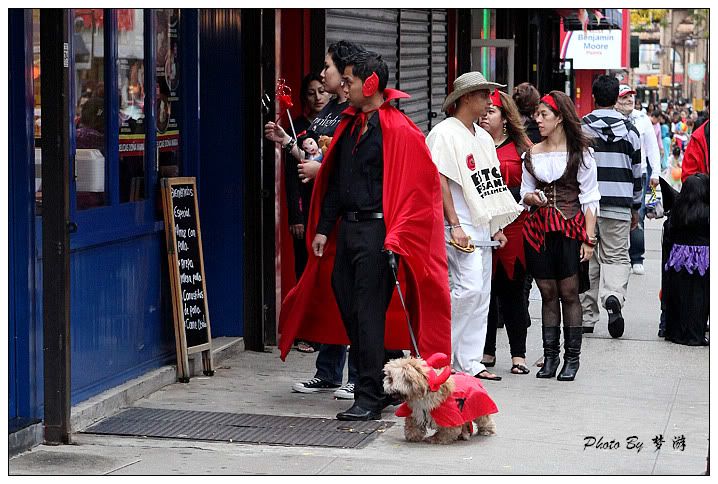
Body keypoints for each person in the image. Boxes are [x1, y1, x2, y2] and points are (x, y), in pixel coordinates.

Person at [279, 49, 452, 421]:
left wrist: (397, 236)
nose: (344, 85)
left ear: (369, 84)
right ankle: (376, 385)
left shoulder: (399, 130)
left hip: (379, 233)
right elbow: (336, 181)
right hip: (349, 231)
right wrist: (324, 228)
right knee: (352, 311)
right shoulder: (349, 123)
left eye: (350, 80)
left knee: (369, 315)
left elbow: (418, 190)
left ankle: (369, 394)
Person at [265, 41, 364, 400]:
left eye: (328, 68)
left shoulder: (356, 112)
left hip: (346, 218)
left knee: (353, 297)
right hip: (324, 214)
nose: (322, 74)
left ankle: (359, 374)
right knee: (327, 295)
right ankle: (328, 372)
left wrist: (319, 168)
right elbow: (315, 153)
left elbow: (347, 165)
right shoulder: (333, 109)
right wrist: (289, 142)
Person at [426, 71, 522, 382]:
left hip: (481, 223)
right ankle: (446, 357)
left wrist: (497, 225)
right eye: (483, 95)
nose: (489, 101)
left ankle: (470, 360)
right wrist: (453, 224)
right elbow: (439, 180)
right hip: (459, 224)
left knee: (481, 293)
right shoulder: (443, 134)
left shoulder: (482, 137)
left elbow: (490, 185)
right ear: (467, 98)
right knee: (466, 289)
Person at [521, 91, 600, 381]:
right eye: (537, 114)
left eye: (544, 115)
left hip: (569, 230)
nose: (537, 119)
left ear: (559, 118)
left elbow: (590, 199)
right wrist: (531, 198)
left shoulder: (581, 154)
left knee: (569, 293)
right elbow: (523, 193)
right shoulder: (530, 154)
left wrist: (588, 239)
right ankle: (550, 357)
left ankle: (572, 359)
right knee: (547, 293)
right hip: (539, 232)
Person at [579, 75, 642, 338]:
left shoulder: (581, 128)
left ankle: (586, 315)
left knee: (587, 256)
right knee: (617, 256)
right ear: (617, 98)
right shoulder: (630, 131)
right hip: (619, 203)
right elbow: (637, 172)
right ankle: (613, 296)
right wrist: (636, 207)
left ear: (593, 97)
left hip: (587, 206)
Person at [478, 89, 532, 375]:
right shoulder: (473, 143)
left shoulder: (522, 148)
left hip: (514, 227)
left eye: (492, 111)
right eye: (483, 111)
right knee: (483, 293)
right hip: (482, 226)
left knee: (512, 292)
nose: (485, 116)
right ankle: (486, 350)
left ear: (505, 116)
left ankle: (518, 354)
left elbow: (532, 187)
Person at [615, 84, 661, 277]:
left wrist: (655, 173)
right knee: (616, 215)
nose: (629, 100)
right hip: (617, 173)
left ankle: (636, 257)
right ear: (616, 100)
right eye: (624, 97)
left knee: (638, 215)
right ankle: (617, 256)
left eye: (631, 97)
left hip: (639, 174)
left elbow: (652, 148)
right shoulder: (612, 118)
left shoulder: (642, 119)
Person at [661, 173, 709, 346]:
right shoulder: (708, 213)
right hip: (704, 260)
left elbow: (670, 233)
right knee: (699, 299)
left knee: (679, 297)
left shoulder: (678, 211)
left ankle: (675, 332)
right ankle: (695, 335)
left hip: (679, 259)